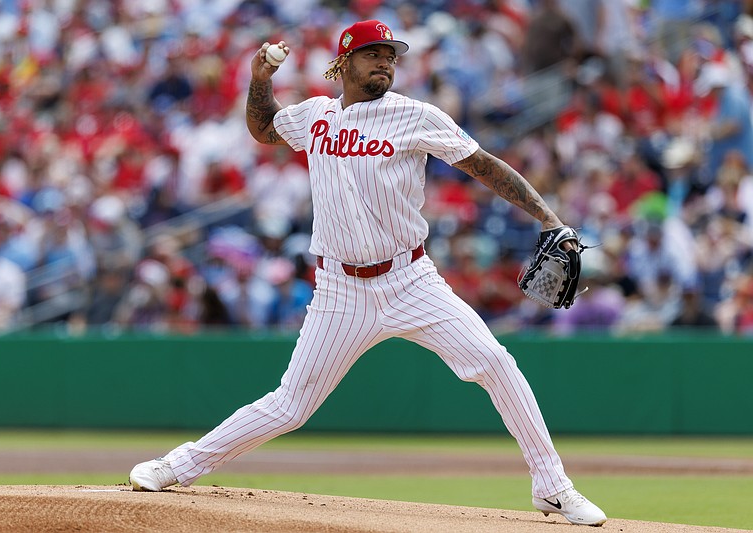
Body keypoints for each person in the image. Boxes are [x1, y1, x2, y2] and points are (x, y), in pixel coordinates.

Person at [129, 20, 607, 527]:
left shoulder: (415, 115)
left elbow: (485, 166)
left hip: (411, 279)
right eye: (373, 53)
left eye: (391, 55)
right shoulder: (316, 115)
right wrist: (260, 78)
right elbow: (264, 128)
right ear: (343, 62)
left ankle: (553, 487)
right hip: (339, 290)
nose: (385, 62)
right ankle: (178, 465)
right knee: (290, 406)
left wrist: (550, 219)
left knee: (495, 362)